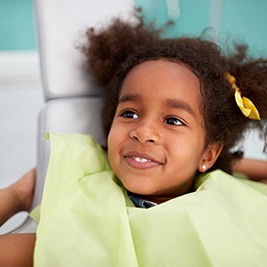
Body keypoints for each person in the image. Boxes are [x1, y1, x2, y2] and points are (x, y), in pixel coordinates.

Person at [1, 12, 267, 266]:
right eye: (129, 113)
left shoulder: (228, 198)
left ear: (209, 154)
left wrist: (224, 164)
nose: (142, 131)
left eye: (173, 120)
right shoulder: (87, 217)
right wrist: (18, 195)